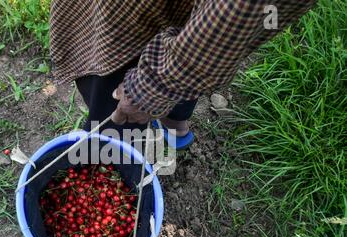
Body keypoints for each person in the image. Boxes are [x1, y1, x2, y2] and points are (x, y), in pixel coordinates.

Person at [49, 0, 316, 149]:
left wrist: (152, 88)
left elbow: (238, 14)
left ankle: (110, 155)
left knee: (120, 85)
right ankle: (175, 123)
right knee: (192, 39)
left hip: (132, 17)